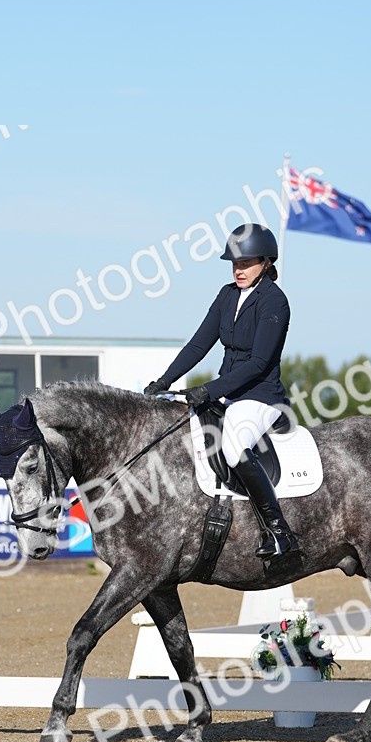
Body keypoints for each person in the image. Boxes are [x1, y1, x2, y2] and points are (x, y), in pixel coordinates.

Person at [144, 222, 297, 558]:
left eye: (246, 263)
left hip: (259, 397)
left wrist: (209, 390)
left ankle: (278, 531)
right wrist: (164, 381)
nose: (238, 270)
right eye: (235, 263)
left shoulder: (275, 302)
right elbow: (199, 344)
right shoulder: (227, 295)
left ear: (266, 262)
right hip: (227, 393)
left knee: (233, 445)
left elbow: (258, 363)